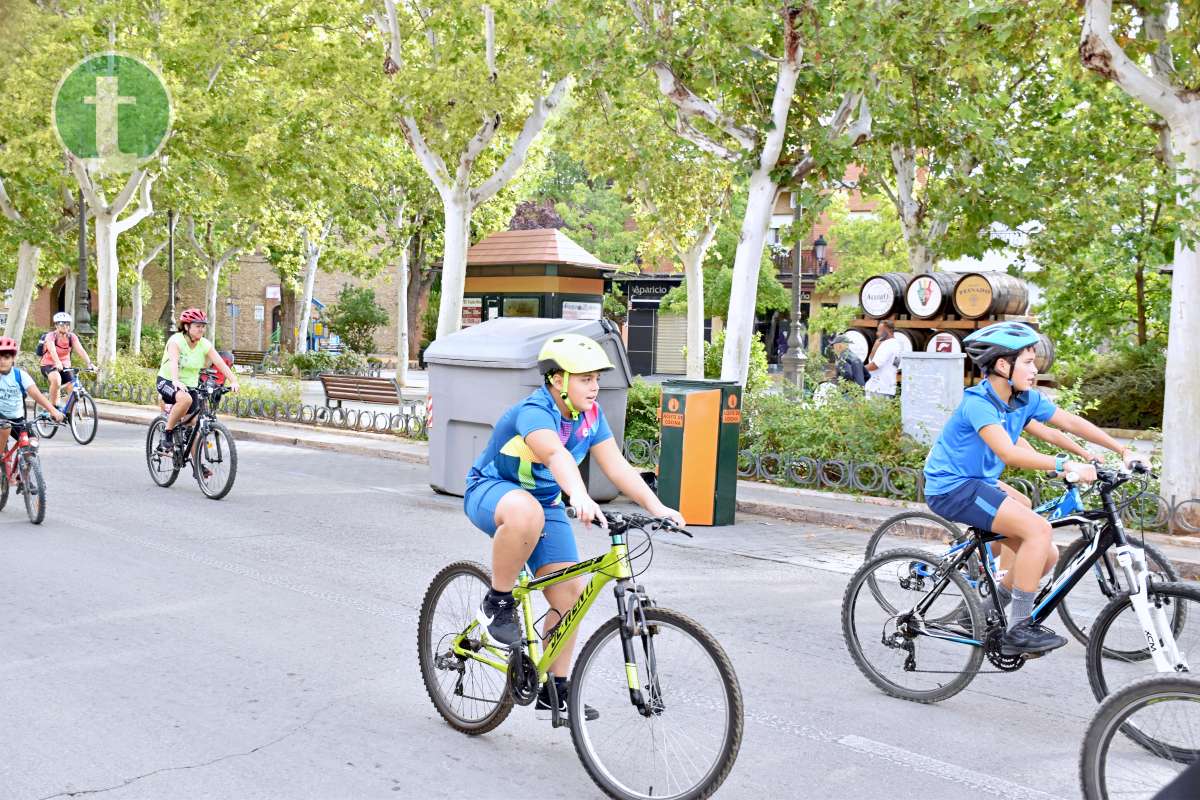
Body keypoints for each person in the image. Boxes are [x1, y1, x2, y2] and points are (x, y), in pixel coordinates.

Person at [465, 333, 685, 720]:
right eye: (585, 378)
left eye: (597, 377)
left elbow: (616, 465)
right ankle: (498, 601)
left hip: (544, 504)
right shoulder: (535, 412)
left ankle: (556, 689)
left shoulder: (591, 417)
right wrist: (580, 497)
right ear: (557, 380)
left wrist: (658, 506)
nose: (595, 386)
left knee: (571, 598)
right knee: (526, 511)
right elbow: (554, 454)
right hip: (493, 490)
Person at [922, 322, 1142, 656]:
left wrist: (1119, 450)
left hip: (979, 483)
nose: (1035, 368)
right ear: (1002, 365)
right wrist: (1064, 465)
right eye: (1027, 361)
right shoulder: (979, 403)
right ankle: (1019, 630)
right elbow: (1009, 453)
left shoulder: (1021, 399)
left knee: (1046, 552)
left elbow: (1065, 424)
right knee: (1038, 530)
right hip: (952, 487)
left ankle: (978, 613)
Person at [156, 309, 239, 454]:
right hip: (167, 381)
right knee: (185, 399)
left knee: (194, 425)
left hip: (190, 386)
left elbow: (220, 363)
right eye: (197, 326)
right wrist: (175, 380)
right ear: (187, 327)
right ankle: (168, 433)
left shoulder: (204, 344)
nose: (201, 329)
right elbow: (174, 362)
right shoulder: (176, 341)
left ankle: (198, 468)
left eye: (203, 326)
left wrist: (233, 380)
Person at [0, 337, 64, 467]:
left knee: (32, 444)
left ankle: (26, 480)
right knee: (5, 427)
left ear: (13, 359)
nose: (2, 361)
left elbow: (37, 395)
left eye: (6, 357)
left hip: (17, 418)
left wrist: (53, 411)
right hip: (1, 419)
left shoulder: (19, 375)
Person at [39, 312, 95, 408]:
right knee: (56, 380)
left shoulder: (71, 337)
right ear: (56, 325)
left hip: (65, 366)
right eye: (61, 323)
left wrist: (89, 364)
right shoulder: (51, 336)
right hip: (48, 364)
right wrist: (57, 362)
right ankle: (52, 408)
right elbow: (52, 350)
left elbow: (80, 350)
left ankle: (68, 412)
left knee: (73, 387)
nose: (65, 326)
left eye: (67, 323)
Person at [864, 319, 900, 399]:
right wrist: (875, 346)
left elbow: (875, 365)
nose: (877, 333)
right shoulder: (897, 344)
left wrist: (859, 369)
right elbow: (872, 360)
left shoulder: (887, 345)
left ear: (886, 331)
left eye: (879, 331)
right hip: (888, 388)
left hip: (878, 389)